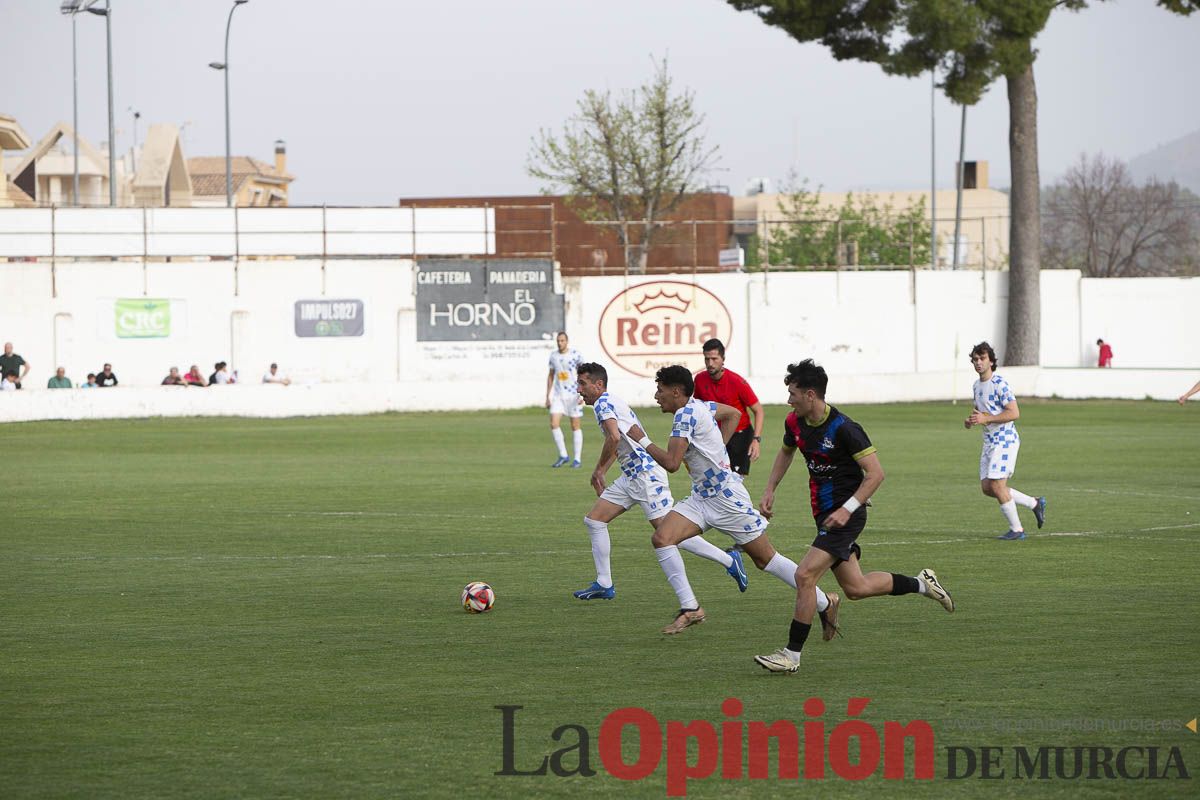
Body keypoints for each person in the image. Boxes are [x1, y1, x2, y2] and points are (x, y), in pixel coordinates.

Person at [753, 360, 955, 673]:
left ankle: (791, 656)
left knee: (804, 576)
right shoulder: (794, 422)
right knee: (856, 588)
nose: (788, 399)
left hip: (848, 515)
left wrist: (847, 510)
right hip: (825, 516)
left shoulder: (845, 429)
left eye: (792, 393)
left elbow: (875, 474)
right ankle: (922, 584)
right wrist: (770, 489)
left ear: (810, 394)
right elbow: (786, 452)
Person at [628, 365, 840, 637]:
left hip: (727, 500)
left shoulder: (685, 415)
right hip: (702, 497)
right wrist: (718, 450)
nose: (657, 396)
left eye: (660, 390)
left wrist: (640, 438)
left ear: (676, 391)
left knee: (766, 560)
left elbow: (671, 463)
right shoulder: (701, 405)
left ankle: (825, 602)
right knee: (662, 538)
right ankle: (690, 608)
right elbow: (733, 414)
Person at [571, 362, 749, 600]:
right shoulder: (611, 400)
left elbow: (614, 438)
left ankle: (728, 561)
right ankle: (604, 584)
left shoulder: (603, 403)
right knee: (594, 521)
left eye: (583, 383)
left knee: (668, 533)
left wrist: (599, 471)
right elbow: (618, 441)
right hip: (633, 475)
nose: (579, 389)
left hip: (646, 476)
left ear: (598, 384)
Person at [965, 341, 1047, 540]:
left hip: (1005, 440)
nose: (978, 363)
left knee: (997, 485)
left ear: (991, 361)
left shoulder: (999, 383)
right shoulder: (976, 386)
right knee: (987, 488)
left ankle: (1017, 530)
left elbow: (1014, 412)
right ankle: (1034, 503)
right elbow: (982, 411)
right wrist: (972, 419)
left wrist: (987, 419)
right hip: (989, 441)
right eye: (975, 359)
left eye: (982, 358)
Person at [692, 338, 765, 476]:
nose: (710, 363)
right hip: (714, 435)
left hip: (739, 435)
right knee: (712, 477)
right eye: (707, 359)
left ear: (723, 359)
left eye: (714, 359)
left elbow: (758, 410)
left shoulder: (736, 381)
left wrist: (756, 440)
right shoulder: (700, 380)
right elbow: (697, 409)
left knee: (736, 480)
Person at [545, 331, 584, 468]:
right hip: (558, 395)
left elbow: (583, 375)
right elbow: (550, 376)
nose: (560, 343)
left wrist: (582, 393)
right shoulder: (553, 356)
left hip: (573, 395)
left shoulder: (575, 355)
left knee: (575, 426)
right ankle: (563, 455)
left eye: (562, 340)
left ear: (567, 341)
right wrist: (547, 396)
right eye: (558, 341)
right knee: (554, 423)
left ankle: (577, 459)